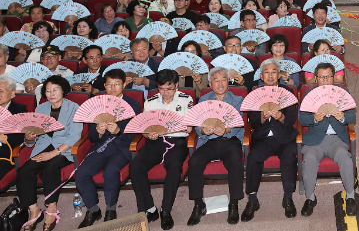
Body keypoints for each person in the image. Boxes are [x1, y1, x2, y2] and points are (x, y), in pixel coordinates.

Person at [76, 69, 142, 227]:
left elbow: (135, 134)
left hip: (122, 147)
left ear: (124, 84)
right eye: (109, 84)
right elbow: (91, 136)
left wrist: (118, 131)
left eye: (117, 84)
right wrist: (98, 133)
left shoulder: (133, 104)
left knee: (111, 171)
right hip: (101, 147)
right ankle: (93, 209)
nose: (112, 88)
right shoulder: (98, 104)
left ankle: (111, 209)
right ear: (104, 85)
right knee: (81, 172)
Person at [16, 75, 82, 231]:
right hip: (43, 146)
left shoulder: (74, 108)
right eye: (47, 90)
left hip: (64, 149)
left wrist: (53, 154)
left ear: (63, 90)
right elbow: (33, 137)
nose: (51, 93)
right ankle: (34, 209)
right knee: (24, 171)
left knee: (50, 168)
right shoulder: (41, 108)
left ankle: (51, 208)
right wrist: (29, 138)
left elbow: (74, 137)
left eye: (55, 89)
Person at [131, 69, 193, 230]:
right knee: (136, 165)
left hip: (177, 142)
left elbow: (189, 128)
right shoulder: (151, 101)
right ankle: (150, 208)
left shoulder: (186, 99)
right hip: (155, 142)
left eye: (169, 88)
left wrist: (182, 127)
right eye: (161, 88)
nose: (165, 93)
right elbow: (144, 127)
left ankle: (166, 210)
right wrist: (148, 134)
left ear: (176, 85)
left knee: (174, 167)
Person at [186, 67, 245, 226]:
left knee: (235, 162)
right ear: (210, 84)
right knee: (194, 162)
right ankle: (198, 204)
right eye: (216, 80)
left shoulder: (237, 100)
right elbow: (198, 125)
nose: (220, 83)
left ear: (228, 82)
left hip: (230, 140)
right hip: (209, 141)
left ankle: (234, 203)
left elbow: (239, 124)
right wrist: (203, 130)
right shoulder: (204, 100)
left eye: (223, 79)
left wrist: (226, 129)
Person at [242, 59, 299, 221]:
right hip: (263, 139)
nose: (270, 75)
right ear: (261, 75)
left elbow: (292, 120)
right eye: (267, 72)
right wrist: (261, 116)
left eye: (274, 72)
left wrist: (280, 116)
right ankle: (252, 200)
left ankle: (288, 197)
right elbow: (251, 122)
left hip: (284, 138)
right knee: (253, 157)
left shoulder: (287, 92)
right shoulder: (255, 94)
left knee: (289, 155)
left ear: (279, 75)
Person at [299, 63, 357, 217]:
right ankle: (310, 198)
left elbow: (352, 116)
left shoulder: (343, 92)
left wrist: (343, 117)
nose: (325, 80)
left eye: (328, 77)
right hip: (315, 141)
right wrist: (314, 119)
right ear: (315, 79)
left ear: (334, 77)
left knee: (345, 157)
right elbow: (302, 119)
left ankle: (351, 196)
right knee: (309, 160)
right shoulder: (308, 94)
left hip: (337, 139)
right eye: (321, 77)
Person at [0, 74, 26, 181]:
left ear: (12, 93)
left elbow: (21, 138)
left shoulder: (19, 110)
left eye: (1, 91)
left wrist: (4, 138)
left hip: (6, 153)